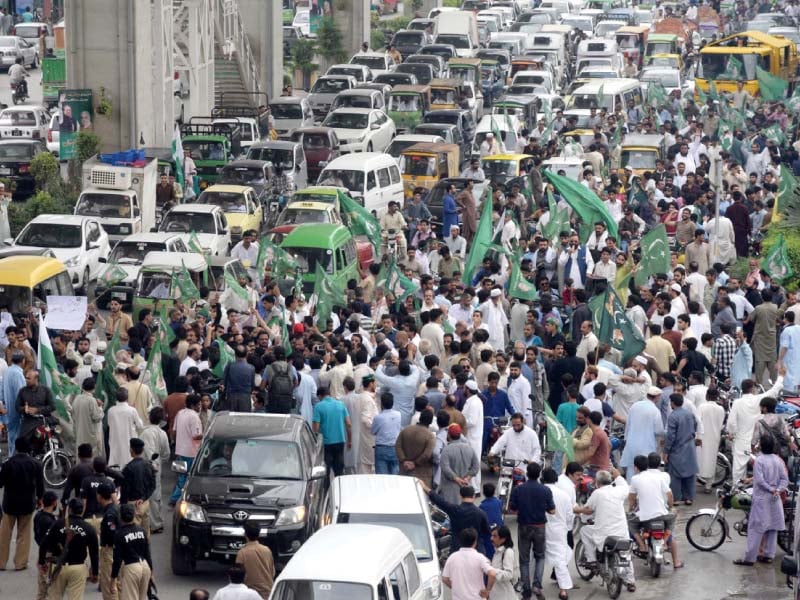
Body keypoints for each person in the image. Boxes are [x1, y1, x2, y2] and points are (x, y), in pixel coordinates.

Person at [574, 468, 636, 592]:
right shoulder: (619, 490)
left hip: (604, 534)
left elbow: (589, 509)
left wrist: (577, 510)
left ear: (597, 483)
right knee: (625, 555)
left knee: (584, 531)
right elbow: (623, 483)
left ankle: (591, 560)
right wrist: (616, 474)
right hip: (621, 532)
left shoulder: (597, 493)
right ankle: (631, 582)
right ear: (610, 480)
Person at [734, 434, 789, 566]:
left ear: (762, 446)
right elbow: (784, 479)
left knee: (755, 529)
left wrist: (771, 489)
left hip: (762, 498)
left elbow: (759, 481)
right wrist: (778, 490)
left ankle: (749, 558)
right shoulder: (777, 460)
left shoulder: (759, 460)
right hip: (775, 499)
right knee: (772, 527)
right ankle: (769, 555)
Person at [728, 369, 786, 482]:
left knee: (738, 470)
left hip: (741, 440)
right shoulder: (758, 400)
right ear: (752, 389)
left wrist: (732, 433)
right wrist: (781, 377)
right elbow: (774, 391)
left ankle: (737, 492)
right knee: (761, 471)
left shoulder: (737, 403)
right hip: (758, 442)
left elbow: (731, 423)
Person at [509, 462, 555, 600]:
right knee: (540, 556)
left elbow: (512, 508)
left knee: (524, 560)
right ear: (539, 474)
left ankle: (526, 590)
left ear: (527, 474)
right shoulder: (545, 490)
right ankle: (537, 585)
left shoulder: (518, 489)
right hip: (540, 527)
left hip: (524, 526)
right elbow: (552, 510)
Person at [38, 498, 99, 599]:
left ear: (69, 509)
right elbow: (94, 552)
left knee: (54, 596)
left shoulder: (58, 524)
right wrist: (95, 572)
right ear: (82, 510)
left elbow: (44, 544)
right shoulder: (89, 528)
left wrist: (42, 562)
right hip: (78, 568)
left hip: (58, 566)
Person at [627, 454, 680, 566]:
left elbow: (631, 498)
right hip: (662, 514)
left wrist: (630, 509)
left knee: (630, 522)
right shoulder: (660, 477)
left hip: (645, 516)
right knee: (672, 519)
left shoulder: (635, 479)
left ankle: (641, 545)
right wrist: (671, 507)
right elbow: (670, 495)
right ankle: (664, 543)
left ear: (635, 467)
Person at [0, 437, 44, 570]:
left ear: (16, 447)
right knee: (24, 534)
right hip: (27, 504)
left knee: (5, 534)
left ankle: (1, 562)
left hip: (10, 504)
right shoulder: (36, 464)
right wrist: (39, 499)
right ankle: (20, 563)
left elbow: (0, 483)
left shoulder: (8, 464)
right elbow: (40, 486)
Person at [427, 483, 491, 554]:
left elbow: (440, 501)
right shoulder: (481, 513)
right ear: (474, 496)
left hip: (457, 550)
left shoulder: (454, 510)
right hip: (477, 551)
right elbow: (487, 531)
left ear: (461, 496)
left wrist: (426, 488)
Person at [619, 387, 665, 481]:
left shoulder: (635, 406)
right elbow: (658, 430)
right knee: (645, 472)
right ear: (657, 397)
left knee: (631, 469)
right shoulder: (655, 411)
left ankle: (630, 491)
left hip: (631, 443)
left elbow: (628, 424)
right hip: (646, 445)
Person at [542, 468, 573, 600]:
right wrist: (568, 528)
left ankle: (532, 584)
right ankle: (563, 590)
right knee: (560, 560)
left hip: (541, 528)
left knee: (536, 557)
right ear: (556, 479)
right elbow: (569, 516)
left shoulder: (540, 492)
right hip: (559, 530)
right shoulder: (564, 495)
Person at [111, 503, 152, 600]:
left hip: (132, 568)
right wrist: (152, 572)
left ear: (120, 516)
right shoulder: (142, 530)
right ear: (134, 515)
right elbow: (147, 553)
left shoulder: (120, 534)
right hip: (145, 567)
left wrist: (113, 579)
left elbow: (117, 559)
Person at [441, 528, 497, 600]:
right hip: (477, 597)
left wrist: (456, 588)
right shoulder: (480, 558)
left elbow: (445, 579)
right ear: (475, 542)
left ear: (460, 541)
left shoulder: (452, 557)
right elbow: (492, 574)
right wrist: (487, 591)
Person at [663, 394, 698, 505]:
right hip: (690, 447)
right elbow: (695, 425)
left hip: (677, 448)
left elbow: (671, 436)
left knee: (675, 474)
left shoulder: (673, 416)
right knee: (690, 473)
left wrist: (666, 451)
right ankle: (689, 497)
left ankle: (676, 498)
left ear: (672, 403)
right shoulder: (689, 414)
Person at [139, 407, 170, 534]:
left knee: (146, 496)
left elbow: (146, 451)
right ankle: (156, 523)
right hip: (157, 468)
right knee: (156, 496)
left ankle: (149, 523)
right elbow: (166, 453)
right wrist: (159, 462)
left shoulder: (144, 432)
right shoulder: (162, 434)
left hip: (145, 467)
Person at [170, 394, 203, 505]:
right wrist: (207, 435)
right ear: (193, 405)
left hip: (180, 450)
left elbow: (174, 431)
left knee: (181, 476)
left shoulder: (180, 413)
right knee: (187, 476)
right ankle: (178, 499)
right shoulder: (194, 417)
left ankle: (175, 498)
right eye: (199, 404)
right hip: (191, 452)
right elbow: (196, 435)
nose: (200, 406)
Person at [312, 385, 352, 477]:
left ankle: (326, 489)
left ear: (320, 396)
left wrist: (315, 443)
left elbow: (316, 428)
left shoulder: (318, 407)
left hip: (326, 443)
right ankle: (339, 488)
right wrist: (349, 441)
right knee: (339, 470)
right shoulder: (341, 404)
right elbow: (349, 424)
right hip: (340, 441)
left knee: (326, 470)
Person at [121, 438, 156, 538]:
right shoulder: (148, 465)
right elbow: (153, 486)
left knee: (133, 535)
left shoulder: (128, 468)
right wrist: (144, 498)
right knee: (145, 534)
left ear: (131, 450)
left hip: (133, 505)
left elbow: (125, 490)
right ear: (142, 450)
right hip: (145, 503)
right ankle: (146, 552)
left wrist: (123, 506)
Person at [439, 424, 480, 505]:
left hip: (449, 490)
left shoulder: (446, 450)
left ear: (449, 435)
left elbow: (445, 468)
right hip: (465, 488)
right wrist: (467, 478)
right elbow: (476, 466)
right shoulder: (469, 448)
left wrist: (456, 479)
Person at [235, 522, 275, 600]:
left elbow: (237, 577)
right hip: (267, 593)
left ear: (245, 534)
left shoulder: (242, 553)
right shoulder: (267, 550)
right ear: (259, 534)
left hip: (249, 594)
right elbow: (272, 572)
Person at [395, 409, 436, 485]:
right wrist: (415, 463)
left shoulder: (406, 430)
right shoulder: (430, 436)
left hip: (404, 471)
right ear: (430, 422)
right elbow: (427, 455)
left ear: (420, 418)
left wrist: (404, 460)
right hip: (422, 475)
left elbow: (398, 446)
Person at [697, 388, 726, 492]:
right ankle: (708, 486)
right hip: (715, 437)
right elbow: (721, 424)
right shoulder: (721, 409)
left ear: (707, 396)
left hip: (702, 437)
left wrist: (698, 437)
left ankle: (697, 479)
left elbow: (698, 422)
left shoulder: (702, 407)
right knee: (712, 460)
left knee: (700, 459)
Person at [107, 388, 143, 468]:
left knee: (116, 465)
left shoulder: (111, 410)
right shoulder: (132, 410)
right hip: (129, 441)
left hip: (115, 441)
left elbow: (109, 424)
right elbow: (140, 425)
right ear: (127, 398)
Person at [97, 482, 120, 600]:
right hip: (118, 552)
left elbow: (112, 534)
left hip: (109, 551)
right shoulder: (115, 509)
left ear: (100, 496)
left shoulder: (110, 513)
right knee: (119, 585)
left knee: (109, 586)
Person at [72, 377, 105, 459]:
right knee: (91, 458)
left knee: (81, 457)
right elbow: (97, 417)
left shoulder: (76, 399)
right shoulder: (91, 400)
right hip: (90, 435)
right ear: (94, 387)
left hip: (79, 433)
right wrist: (100, 407)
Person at [34, 491, 59, 600]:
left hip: (42, 553)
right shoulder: (50, 522)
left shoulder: (38, 516)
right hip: (49, 556)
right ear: (54, 503)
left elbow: (36, 536)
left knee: (42, 588)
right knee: (52, 587)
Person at [371, 391, 402, 474]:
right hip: (394, 447)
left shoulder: (378, 417)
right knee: (395, 475)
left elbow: (373, 431)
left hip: (381, 449)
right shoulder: (398, 415)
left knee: (382, 477)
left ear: (382, 404)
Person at [489, 525, 518, 600]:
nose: (491, 538)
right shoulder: (498, 551)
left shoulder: (508, 552)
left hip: (505, 595)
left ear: (503, 539)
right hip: (497, 594)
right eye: (491, 535)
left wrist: (493, 571)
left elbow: (509, 574)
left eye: (495, 536)